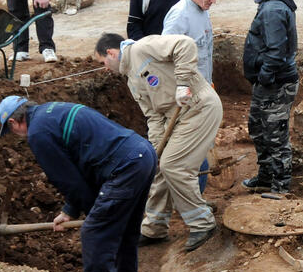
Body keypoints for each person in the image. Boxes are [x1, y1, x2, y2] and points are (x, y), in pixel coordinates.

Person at [0, 96, 156, 272]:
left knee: (93, 233)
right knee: (125, 228)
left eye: (10, 130)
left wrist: (94, 216)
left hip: (125, 166)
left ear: (13, 122)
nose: (15, 135)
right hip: (142, 153)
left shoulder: (38, 134)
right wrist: (70, 210)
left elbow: (69, 181)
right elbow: (82, 165)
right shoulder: (52, 112)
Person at [95, 33, 222, 252]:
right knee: (159, 166)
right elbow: (153, 116)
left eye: (102, 62)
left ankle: (203, 223)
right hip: (177, 117)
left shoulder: (142, 48)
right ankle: (155, 227)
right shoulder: (131, 79)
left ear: (111, 52)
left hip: (198, 107)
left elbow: (185, 44)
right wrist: (156, 149)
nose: (104, 68)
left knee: (174, 166)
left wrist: (183, 83)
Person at [240, 0, 299, 194]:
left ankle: (280, 186)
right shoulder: (271, 4)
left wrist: (264, 77)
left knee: (275, 134)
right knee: (258, 127)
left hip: (276, 83)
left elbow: (276, 51)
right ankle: (266, 176)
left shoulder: (272, 9)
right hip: (269, 82)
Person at [162, 0, 221, 192]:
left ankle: (194, 194)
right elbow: (166, 56)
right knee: (194, 149)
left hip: (203, 88)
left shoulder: (201, 9)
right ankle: (191, 197)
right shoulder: (179, 16)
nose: (213, 2)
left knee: (201, 145)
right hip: (187, 95)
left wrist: (209, 81)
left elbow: (204, 51)